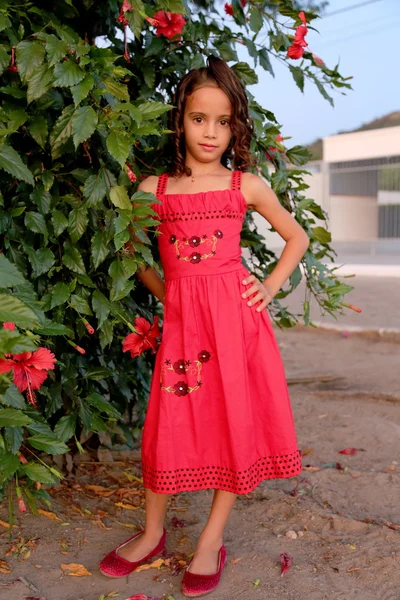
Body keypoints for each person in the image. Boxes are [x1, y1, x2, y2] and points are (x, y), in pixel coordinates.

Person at [99, 55, 310, 597]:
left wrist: (265, 287)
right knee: (170, 422)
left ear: (235, 125)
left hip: (236, 326)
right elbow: (131, 247)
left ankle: (210, 538)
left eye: (221, 121)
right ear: (180, 121)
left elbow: (297, 239)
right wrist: (166, 293)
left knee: (231, 424)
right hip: (186, 327)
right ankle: (152, 532)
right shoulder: (155, 189)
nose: (210, 132)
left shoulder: (247, 186)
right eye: (199, 119)